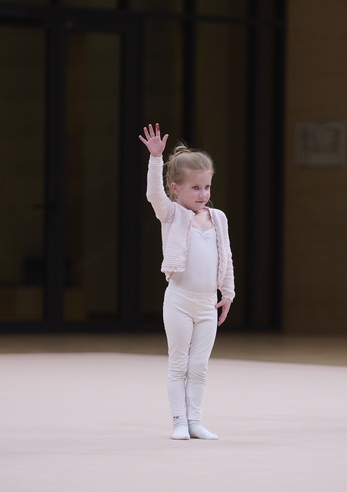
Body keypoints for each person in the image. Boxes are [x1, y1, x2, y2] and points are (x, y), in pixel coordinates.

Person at [140, 123, 235, 440]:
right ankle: (179, 421)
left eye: (207, 187)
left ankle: (195, 421)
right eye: (196, 188)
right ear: (175, 188)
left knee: (200, 366)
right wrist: (156, 158)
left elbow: (227, 258)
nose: (203, 194)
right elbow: (153, 194)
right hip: (179, 300)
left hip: (208, 303)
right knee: (178, 363)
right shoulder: (171, 214)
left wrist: (228, 293)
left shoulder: (217, 218)